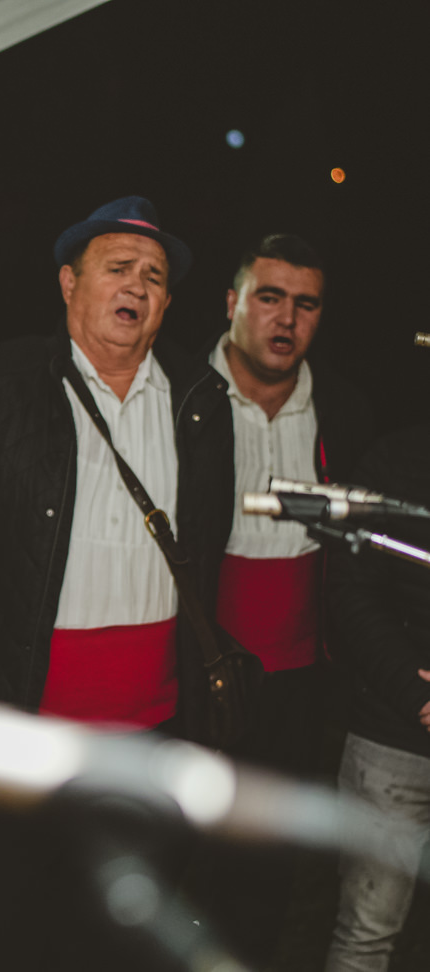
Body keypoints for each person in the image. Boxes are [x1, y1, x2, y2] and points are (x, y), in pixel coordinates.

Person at [0, 196, 234, 970]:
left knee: (116, 941)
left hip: (151, 741)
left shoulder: (200, 403)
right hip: (24, 739)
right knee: (5, 938)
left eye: (155, 277)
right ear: (69, 283)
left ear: (168, 303)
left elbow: (208, 562)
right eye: (117, 268)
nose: (137, 286)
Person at [198, 233, 373, 963]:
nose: (287, 319)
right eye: (269, 297)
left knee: (270, 867)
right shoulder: (182, 395)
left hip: (299, 682)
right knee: (190, 858)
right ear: (233, 302)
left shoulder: (343, 410)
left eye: (306, 304)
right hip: (199, 673)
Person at [323, 424, 430, 972]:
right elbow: (351, 587)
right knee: (366, 933)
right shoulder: (396, 456)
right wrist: (417, 693)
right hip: (393, 736)